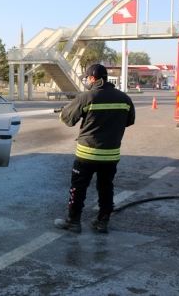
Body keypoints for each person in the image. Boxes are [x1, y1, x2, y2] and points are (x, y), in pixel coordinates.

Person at [54, 64, 135, 234]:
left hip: (87, 154)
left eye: (87, 78)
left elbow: (68, 119)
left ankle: (74, 222)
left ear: (93, 78)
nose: (87, 82)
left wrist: (62, 113)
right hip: (111, 155)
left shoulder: (87, 96)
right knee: (106, 187)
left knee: (78, 187)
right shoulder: (125, 98)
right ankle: (102, 222)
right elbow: (129, 121)